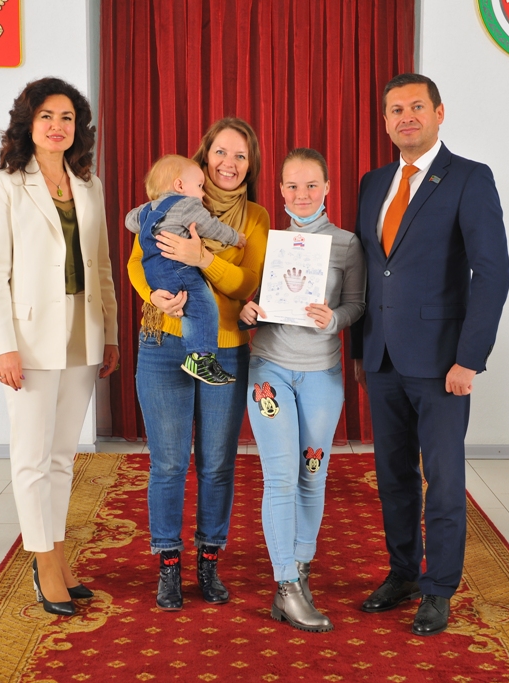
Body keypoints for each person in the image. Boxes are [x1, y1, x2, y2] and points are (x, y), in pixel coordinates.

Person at [350, 73, 509, 636]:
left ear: (440, 113)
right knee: (393, 477)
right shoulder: (374, 183)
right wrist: (359, 349)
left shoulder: (469, 177)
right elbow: (366, 271)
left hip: (444, 364)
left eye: (417, 106)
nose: (406, 117)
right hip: (382, 358)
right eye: (396, 109)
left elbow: (492, 272)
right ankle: (403, 574)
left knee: (441, 481)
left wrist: (470, 358)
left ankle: (439, 588)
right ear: (386, 121)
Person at [0, 77, 120, 617]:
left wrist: (110, 332)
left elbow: (102, 265)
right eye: (47, 116)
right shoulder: (5, 185)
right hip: (30, 339)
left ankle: (59, 558)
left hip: (83, 331)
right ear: (28, 123)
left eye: (67, 117)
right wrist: (4, 346)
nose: (57, 126)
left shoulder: (89, 184)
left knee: (62, 457)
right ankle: (42, 564)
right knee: (31, 458)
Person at [127, 117, 270, 611]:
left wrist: (200, 257)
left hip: (224, 348)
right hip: (163, 342)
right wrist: (154, 295)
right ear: (204, 157)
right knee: (168, 463)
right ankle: (168, 562)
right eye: (221, 153)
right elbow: (136, 261)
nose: (229, 163)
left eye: (241, 156)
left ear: (250, 165)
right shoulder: (169, 199)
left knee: (216, 465)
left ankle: (209, 561)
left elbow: (246, 282)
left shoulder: (255, 218)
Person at [239, 148, 365, 632]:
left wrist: (334, 318)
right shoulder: (267, 242)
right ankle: (286, 585)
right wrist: (246, 310)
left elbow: (356, 305)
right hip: (270, 368)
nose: (302, 194)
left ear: (327, 188)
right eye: (292, 185)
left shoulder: (347, 244)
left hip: (321, 374)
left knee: (312, 475)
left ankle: (301, 568)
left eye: (311, 185)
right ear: (280, 190)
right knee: (280, 477)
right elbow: (244, 297)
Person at [125, 155, 247, 386]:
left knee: (189, 307)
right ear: (179, 185)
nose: (203, 194)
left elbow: (129, 222)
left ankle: (198, 356)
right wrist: (235, 238)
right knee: (204, 306)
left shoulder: (147, 209)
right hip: (177, 268)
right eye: (199, 186)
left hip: (155, 274)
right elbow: (211, 226)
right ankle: (200, 358)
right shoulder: (187, 205)